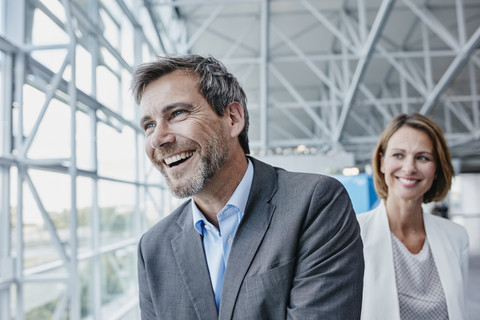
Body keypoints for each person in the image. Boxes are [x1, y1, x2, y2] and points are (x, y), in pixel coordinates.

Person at [131, 54, 364, 319]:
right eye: (149, 125)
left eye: (178, 113)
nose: (158, 139)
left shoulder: (315, 204)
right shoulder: (153, 248)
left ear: (232, 118)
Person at [357, 113, 469, 320]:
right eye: (398, 155)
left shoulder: (456, 237)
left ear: (436, 170)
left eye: (422, 157)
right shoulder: (353, 234)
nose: (409, 167)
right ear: (382, 162)